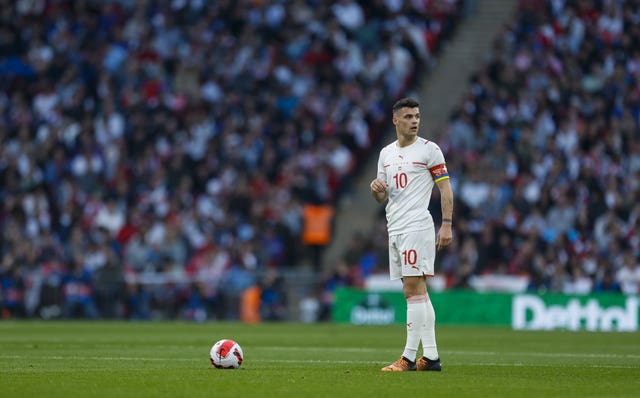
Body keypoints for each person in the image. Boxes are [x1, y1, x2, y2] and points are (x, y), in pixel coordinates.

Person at [370, 97, 453, 371]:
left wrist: (447, 224)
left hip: (417, 226)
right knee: (420, 292)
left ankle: (407, 357)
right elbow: (384, 197)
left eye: (417, 116)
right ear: (395, 120)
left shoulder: (430, 150)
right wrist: (376, 189)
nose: (415, 120)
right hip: (395, 227)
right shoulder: (386, 154)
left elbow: (445, 189)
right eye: (408, 116)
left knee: (412, 290)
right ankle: (430, 357)